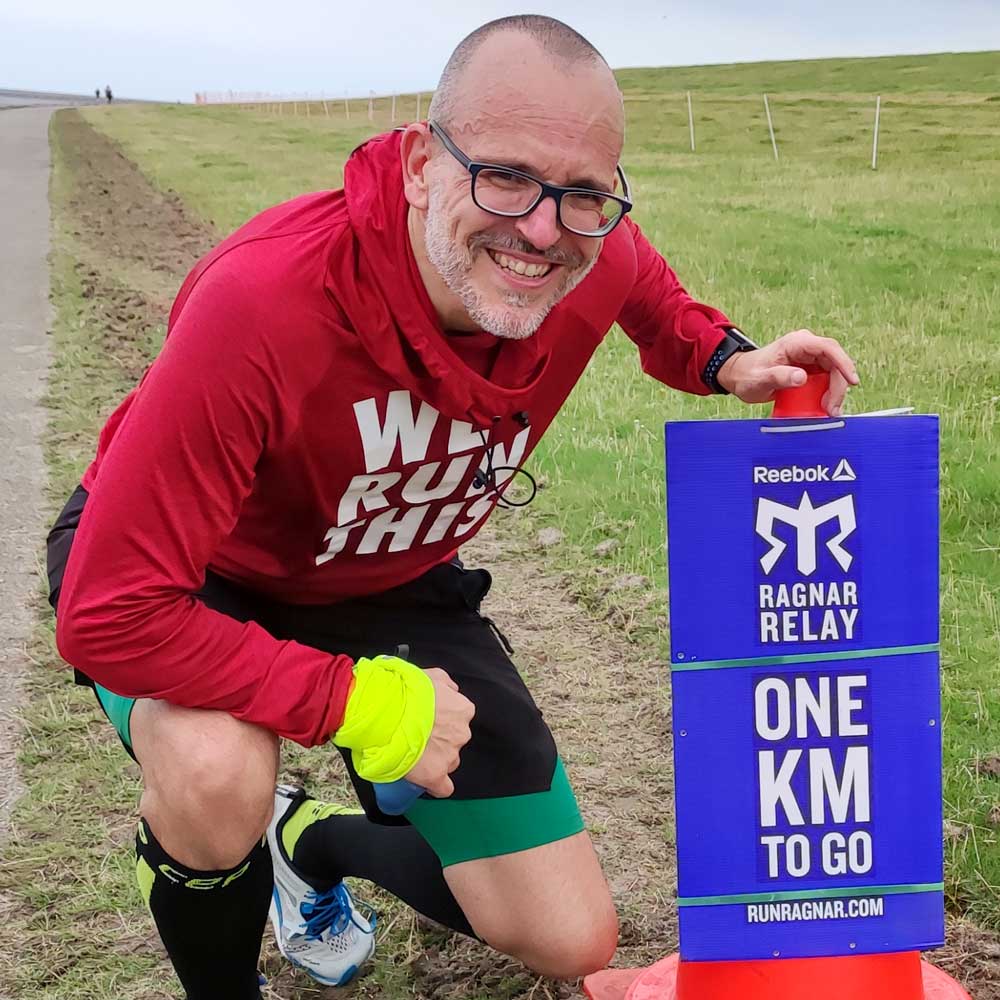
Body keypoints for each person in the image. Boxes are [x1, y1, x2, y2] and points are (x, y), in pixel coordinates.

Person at [47, 14, 859, 1000]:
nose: (542, 229)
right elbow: (109, 611)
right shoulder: (265, 302)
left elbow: (649, 294)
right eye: (504, 176)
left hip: (386, 568)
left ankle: (311, 840)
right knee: (219, 773)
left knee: (572, 936)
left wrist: (727, 356)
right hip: (201, 572)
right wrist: (357, 702)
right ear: (423, 165)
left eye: (584, 195)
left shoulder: (588, 252)